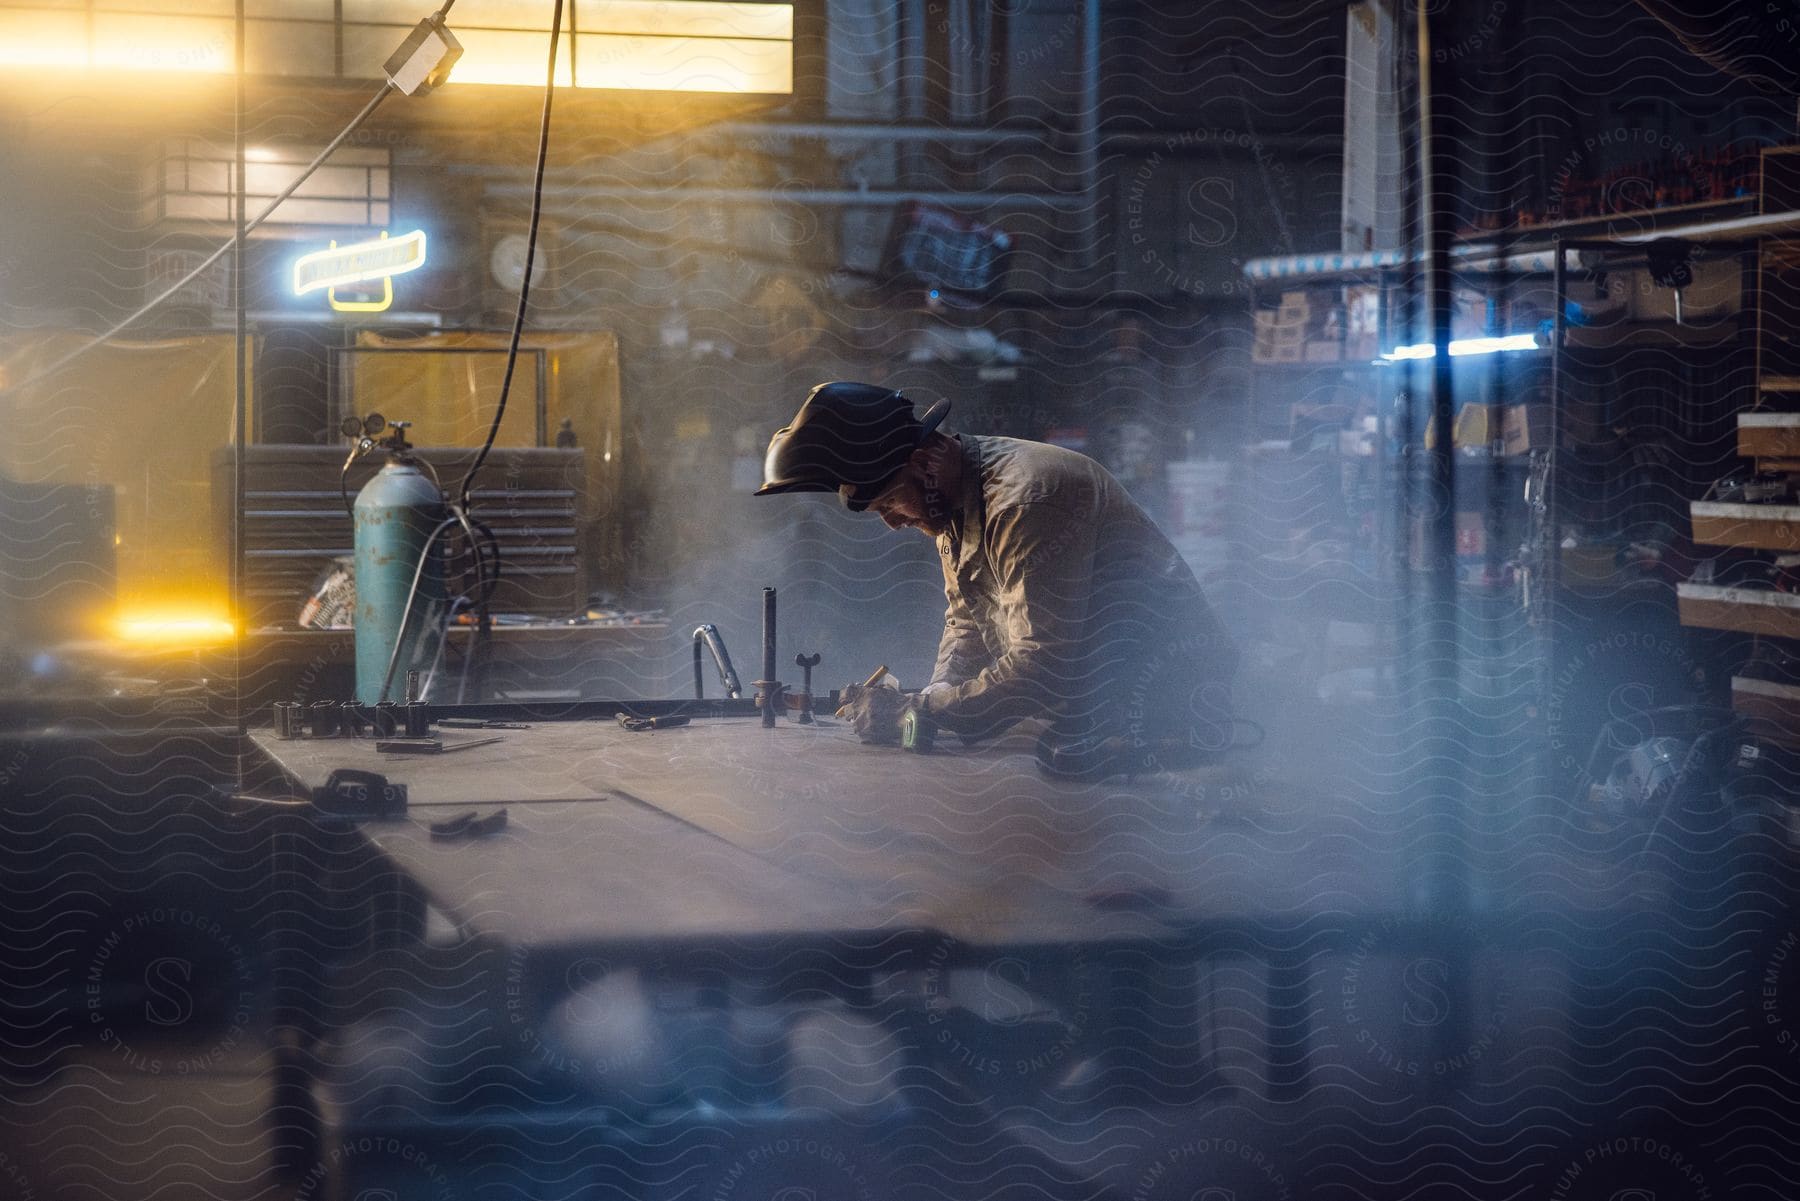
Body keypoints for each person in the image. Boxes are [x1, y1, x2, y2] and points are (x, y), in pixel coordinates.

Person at [756, 381, 1239, 775]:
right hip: (1101, 710)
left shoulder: (1025, 501)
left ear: (924, 462)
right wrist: (925, 702)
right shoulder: (948, 500)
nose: (892, 522)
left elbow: (1043, 665)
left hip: (1168, 710)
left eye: (889, 503)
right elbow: (968, 621)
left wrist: (916, 712)